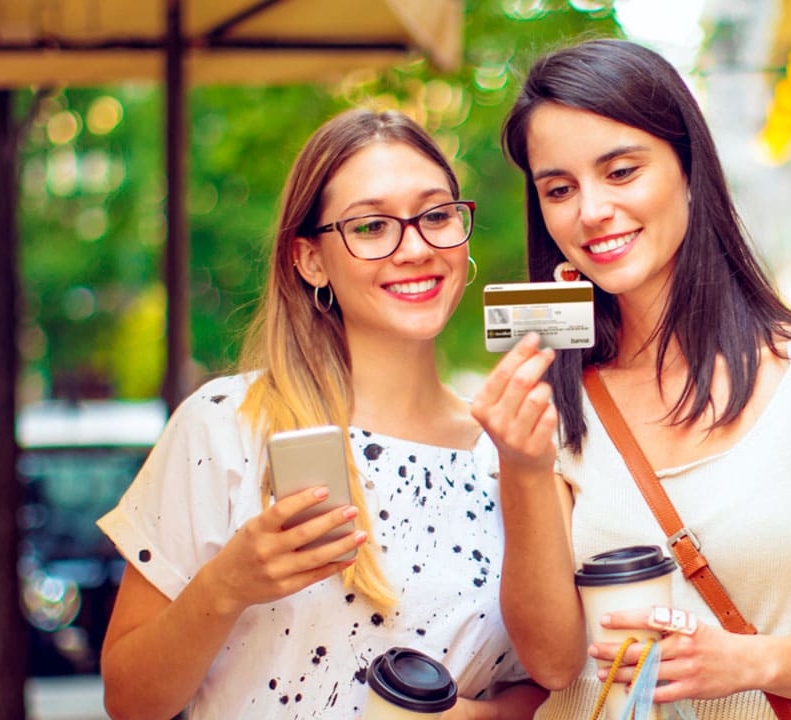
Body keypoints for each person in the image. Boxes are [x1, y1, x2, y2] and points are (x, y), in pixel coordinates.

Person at [471, 39, 791, 717]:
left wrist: (748, 660)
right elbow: (551, 660)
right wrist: (521, 465)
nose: (591, 210)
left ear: (690, 168)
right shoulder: (549, 399)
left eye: (622, 171)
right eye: (559, 189)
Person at [97, 110, 541, 720]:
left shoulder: (512, 447)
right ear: (309, 260)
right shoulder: (224, 425)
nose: (414, 247)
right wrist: (227, 585)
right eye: (371, 226)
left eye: (436, 215)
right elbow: (128, 700)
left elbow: (550, 678)